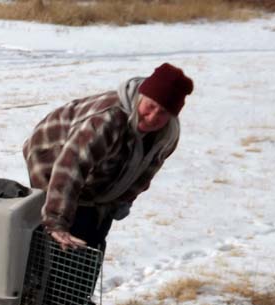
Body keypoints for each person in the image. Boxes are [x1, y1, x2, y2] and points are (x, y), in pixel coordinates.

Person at [23, 62, 194, 252]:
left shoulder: (166, 137)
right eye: (150, 106)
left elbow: (143, 174)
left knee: (96, 225)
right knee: (68, 227)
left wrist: (120, 202)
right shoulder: (107, 120)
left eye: (162, 113)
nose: (153, 117)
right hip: (51, 151)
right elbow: (71, 167)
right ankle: (47, 259)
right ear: (140, 97)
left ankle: (85, 259)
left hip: (101, 161)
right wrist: (56, 221)